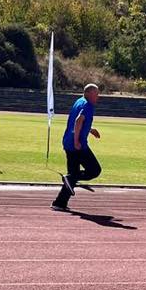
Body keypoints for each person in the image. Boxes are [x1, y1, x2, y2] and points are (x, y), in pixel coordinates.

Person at [52, 84, 102, 212]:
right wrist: (76, 141)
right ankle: (71, 178)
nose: (98, 97)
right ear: (90, 93)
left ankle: (59, 203)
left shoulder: (79, 101)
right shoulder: (88, 105)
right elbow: (79, 120)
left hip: (68, 142)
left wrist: (90, 129)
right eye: (96, 94)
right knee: (95, 170)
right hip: (77, 145)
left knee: (72, 175)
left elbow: (78, 120)